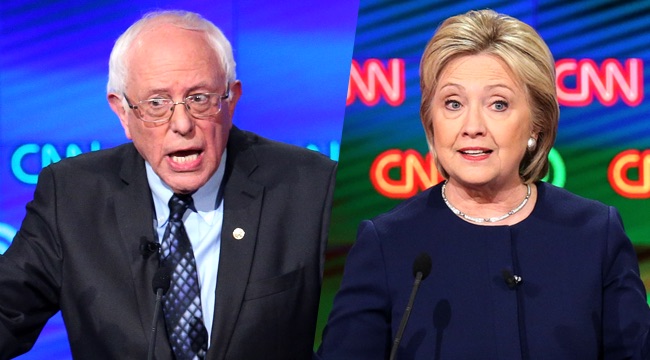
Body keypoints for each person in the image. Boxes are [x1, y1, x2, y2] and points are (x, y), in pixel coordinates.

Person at [0, 10, 336, 360]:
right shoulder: (70, 196)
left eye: (199, 98)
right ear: (123, 113)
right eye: (156, 103)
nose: (182, 124)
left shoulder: (311, 188)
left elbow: (359, 331)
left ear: (231, 100)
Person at [316, 9, 650, 359]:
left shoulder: (596, 234)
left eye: (498, 104)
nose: (472, 125)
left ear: (536, 122)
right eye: (453, 103)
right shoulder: (388, 243)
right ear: (431, 121)